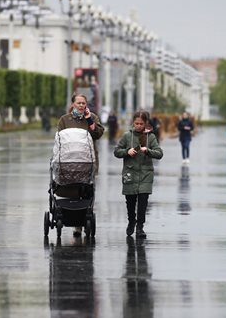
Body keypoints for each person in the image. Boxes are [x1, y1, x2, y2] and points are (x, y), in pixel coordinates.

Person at [57, 93, 105, 237]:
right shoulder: (65, 120)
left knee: (86, 192)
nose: (81, 106)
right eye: (78, 103)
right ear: (73, 104)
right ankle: (76, 223)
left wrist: (89, 119)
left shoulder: (92, 118)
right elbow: (59, 139)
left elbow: (98, 134)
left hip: (87, 162)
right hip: (69, 161)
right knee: (71, 191)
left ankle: (85, 219)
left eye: (83, 103)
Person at [114, 111, 163, 239]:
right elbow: (116, 152)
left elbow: (159, 153)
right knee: (130, 203)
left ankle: (140, 227)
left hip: (145, 175)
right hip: (130, 173)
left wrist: (148, 151)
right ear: (133, 123)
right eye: (136, 123)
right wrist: (126, 151)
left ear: (145, 123)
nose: (139, 126)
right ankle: (131, 221)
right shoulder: (126, 136)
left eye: (141, 123)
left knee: (143, 203)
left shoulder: (150, 137)